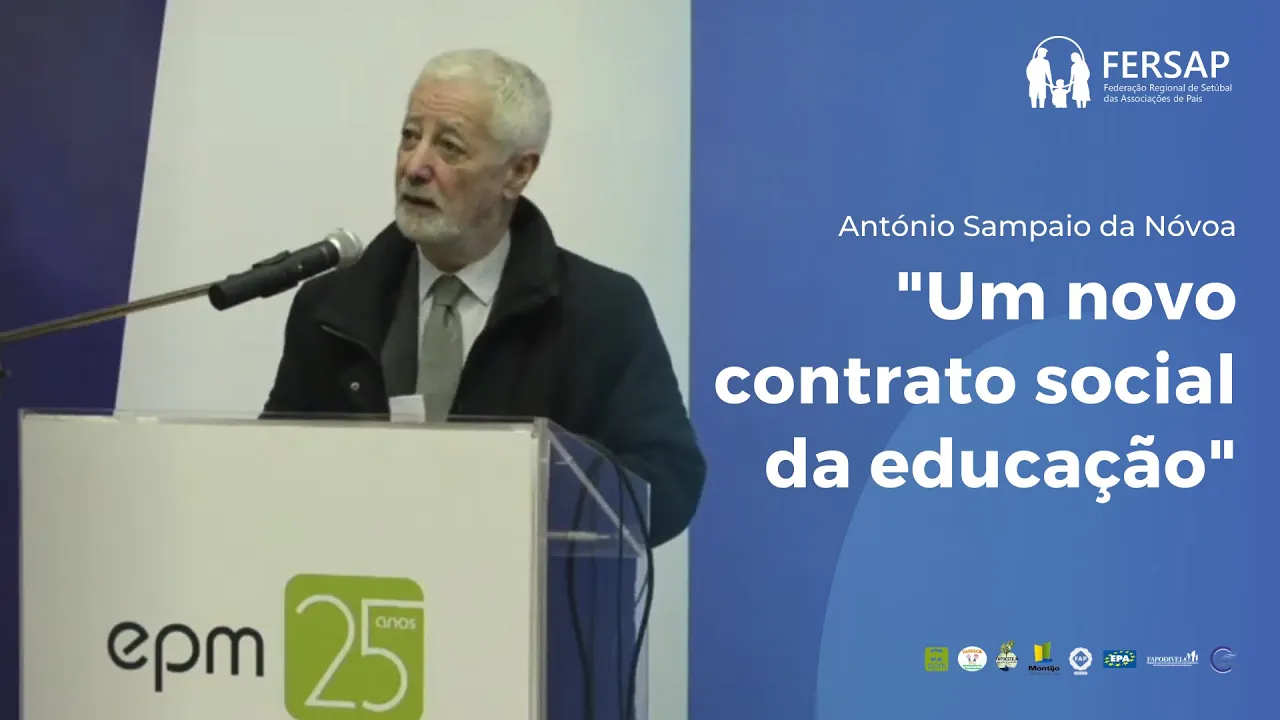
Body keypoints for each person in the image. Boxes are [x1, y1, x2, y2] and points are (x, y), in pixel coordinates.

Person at [261, 48, 705, 546]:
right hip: (356, 582)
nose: (415, 166)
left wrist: (523, 492)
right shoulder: (330, 307)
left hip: (526, 586)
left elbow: (669, 480)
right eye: (410, 136)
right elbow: (272, 466)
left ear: (517, 173)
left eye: (449, 147)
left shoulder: (603, 311)